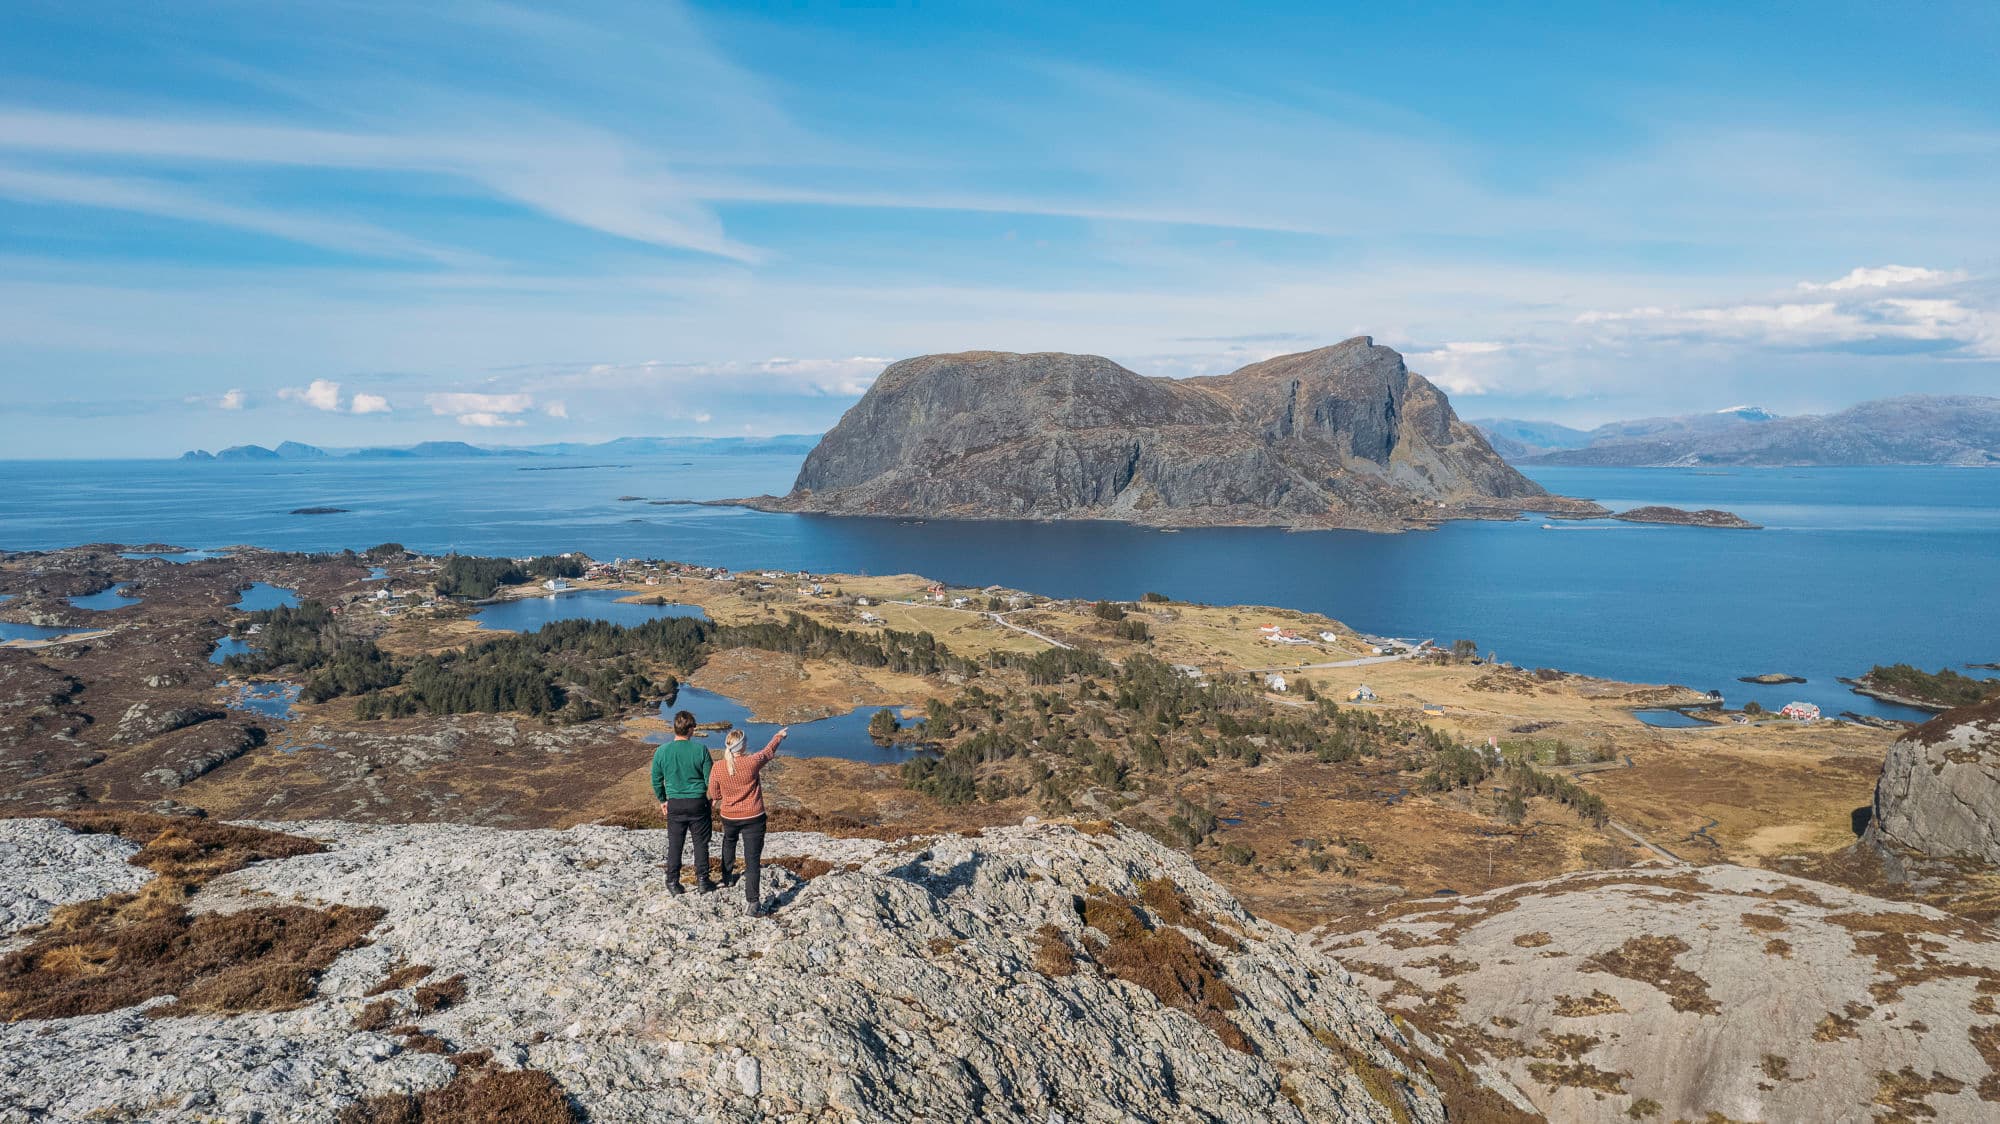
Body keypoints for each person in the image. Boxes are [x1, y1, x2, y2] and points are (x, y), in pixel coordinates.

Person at [708, 725, 787, 916]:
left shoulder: (718, 767)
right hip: (754, 817)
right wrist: (779, 736)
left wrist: (725, 797)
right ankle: (752, 902)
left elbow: (713, 793)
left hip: (729, 816)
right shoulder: (751, 762)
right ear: (742, 746)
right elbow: (768, 752)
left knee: (729, 843)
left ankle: (726, 878)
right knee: (752, 861)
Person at [651, 710, 716, 895]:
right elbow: (709, 780)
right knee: (701, 843)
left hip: (675, 804)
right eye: (694, 727)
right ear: (690, 729)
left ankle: (672, 882)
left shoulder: (662, 751)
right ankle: (703, 881)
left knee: (675, 844)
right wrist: (712, 798)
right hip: (697, 803)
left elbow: (656, 779)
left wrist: (663, 800)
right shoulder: (700, 750)